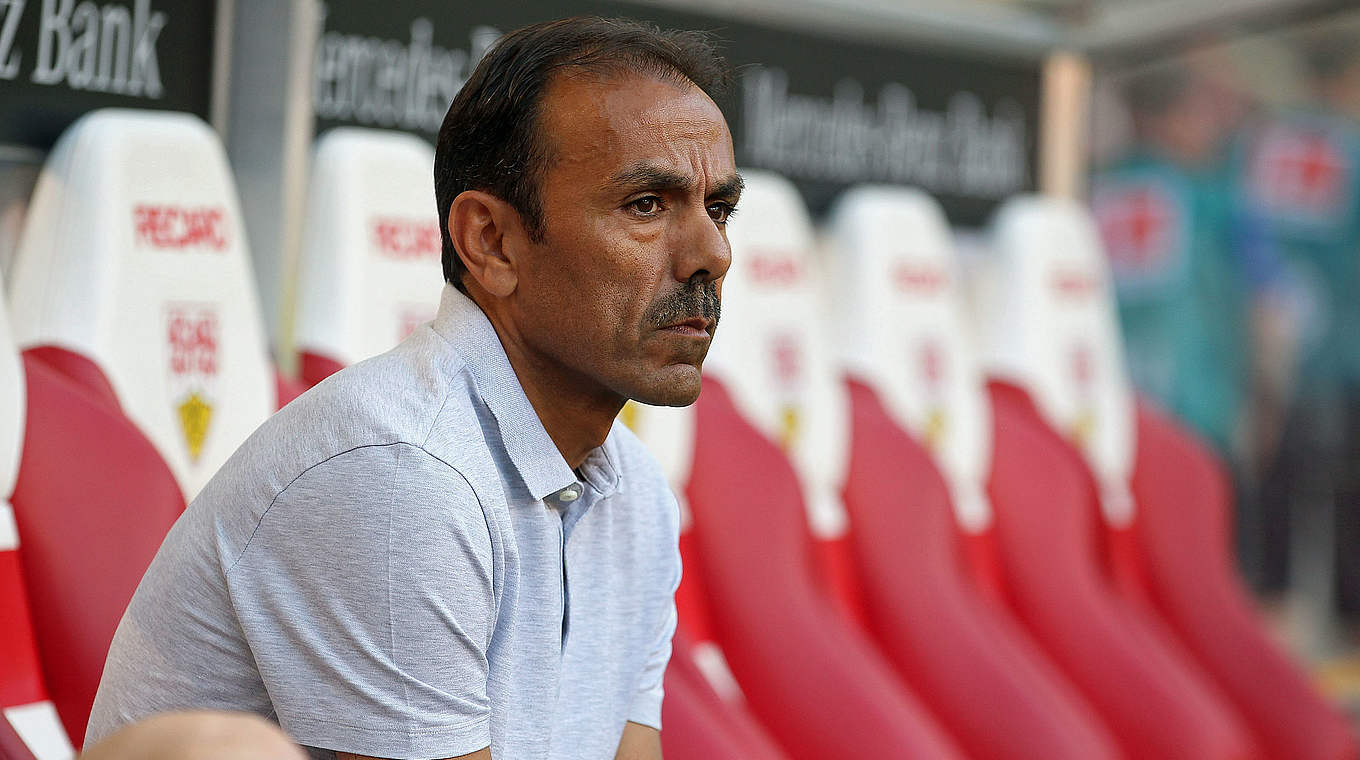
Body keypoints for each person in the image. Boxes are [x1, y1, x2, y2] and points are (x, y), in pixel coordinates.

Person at [85, 16, 740, 760]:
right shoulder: (402, 475)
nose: (712, 253)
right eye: (646, 205)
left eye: (719, 209)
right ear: (491, 242)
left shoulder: (637, 494)